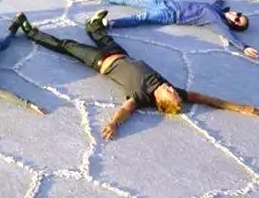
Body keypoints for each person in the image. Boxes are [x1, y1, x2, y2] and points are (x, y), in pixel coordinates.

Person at [14, 11, 258, 140]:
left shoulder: (141, 97)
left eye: (170, 94)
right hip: (120, 53)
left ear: (161, 101)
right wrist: (243, 108)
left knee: (65, 45)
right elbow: (209, 99)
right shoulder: (174, 89)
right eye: (174, 92)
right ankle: (93, 24)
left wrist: (113, 124)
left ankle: (31, 32)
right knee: (102, 36)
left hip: (99, 62)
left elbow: (125, 111)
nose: (172, 90)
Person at [92, 0, 256, 59]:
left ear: (231, 25)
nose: (236, 17)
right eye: (239, 16)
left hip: (171, 15)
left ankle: (109, 23)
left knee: (141, 17)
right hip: (167, 3)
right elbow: (218, 3)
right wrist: (221, 1)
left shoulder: (217, 22)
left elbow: (229, 36)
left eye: (237, 22)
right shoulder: (218, 9)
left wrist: (244, 47)